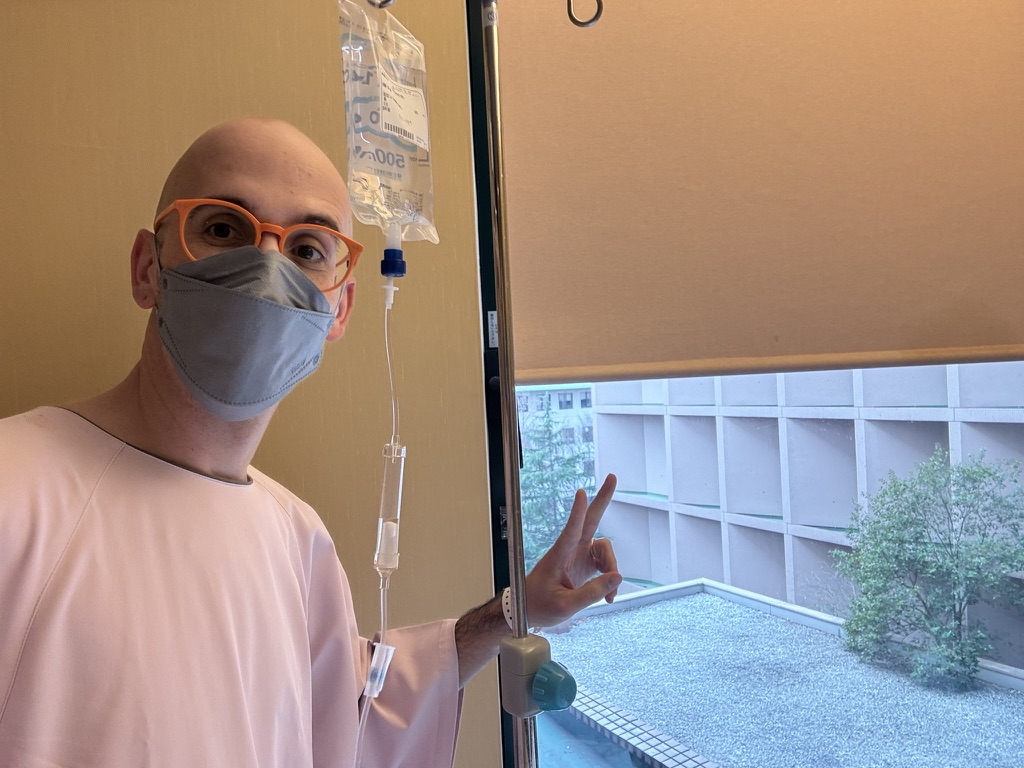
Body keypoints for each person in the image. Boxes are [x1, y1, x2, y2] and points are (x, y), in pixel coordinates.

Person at [0, 117, 621, 767]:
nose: (267, 268)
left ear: (341, 308)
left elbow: (341, 718)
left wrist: (508, 612)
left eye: (306, 249)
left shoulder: (296, 537)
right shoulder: (16, 488)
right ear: (146, 269)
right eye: (223, 229)